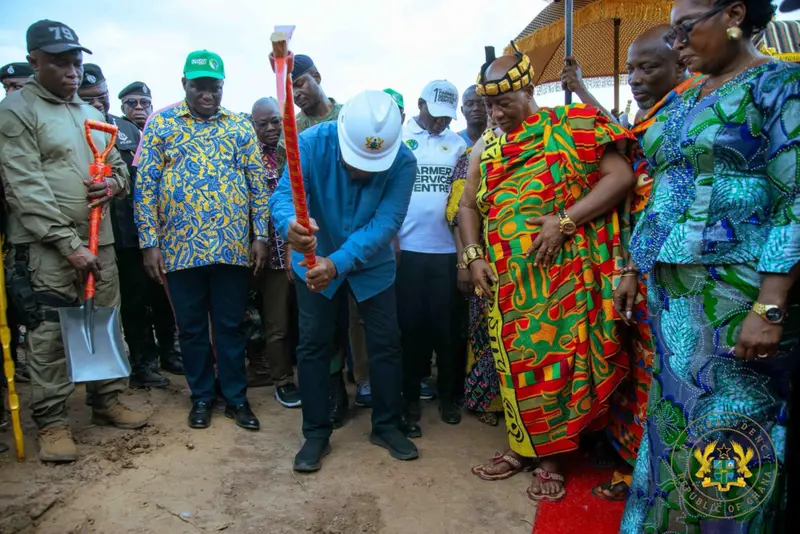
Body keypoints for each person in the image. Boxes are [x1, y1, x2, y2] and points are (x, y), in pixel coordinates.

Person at [619, 1, 800, 531]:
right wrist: (633, 267)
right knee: (677, 424)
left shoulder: (780, 86)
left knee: (735, 433)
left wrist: (770, 304)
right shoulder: (687, 98)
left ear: (734, 14)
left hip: (740, 295)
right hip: (678, 299)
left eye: (684, 28)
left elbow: (796, 197)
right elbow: (666, 192)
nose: (676, 43)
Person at [460, 46, 635, 502]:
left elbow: (619, 177)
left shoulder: (572, 126)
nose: (496, 113)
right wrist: (473, 256)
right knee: (513, 366)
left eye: (505, 103)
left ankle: (552, 458)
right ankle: (521, 447)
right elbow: (466, 205)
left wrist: (566, 220)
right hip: (504, 282)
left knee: (553, 364)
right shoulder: (487, 144)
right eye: (490, 105)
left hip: (563, 279)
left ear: (530, 89)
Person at [0, 19, 148, 462]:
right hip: (47, 248)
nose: (70, 71)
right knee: (47, 330)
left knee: (105, 319)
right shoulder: (17, 112)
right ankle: (52, 420)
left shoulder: (93, 115)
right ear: (35, 62)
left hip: (98, 241)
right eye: (59, 62)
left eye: (75, 62)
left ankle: (107, 399)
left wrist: (114, 186)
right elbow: (24, 186)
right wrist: (68, 244)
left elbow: (119, 169)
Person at [559, 26, 697, 502]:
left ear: (681, 64)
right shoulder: (657, 113)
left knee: (661, 368)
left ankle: (652, 473)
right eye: (632, 69)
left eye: (648, 67)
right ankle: (632, 459)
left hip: (671, 268)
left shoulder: (690, 111)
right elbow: (624, 137)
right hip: (636, 261)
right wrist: (580, 92)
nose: (635, 78)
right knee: (638, 361)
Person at [270, 90, 419, 472]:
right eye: (356, 163)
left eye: (373, 167)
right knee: (315, 346)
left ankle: (386, 424)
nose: (363, 174)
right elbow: (283, 197)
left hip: (369, 264)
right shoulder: (308, 144)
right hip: (313, 258)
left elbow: (386, 223)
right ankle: (316, 432)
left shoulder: (403, 162)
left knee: (386, 344)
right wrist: (290, 226)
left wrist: (337, 263)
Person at [135, 49, 269, 431]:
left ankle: (236, 398)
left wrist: (259, 236)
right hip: (180, 250)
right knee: (191, 329)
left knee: (230, 326)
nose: (207, 95)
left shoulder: (240, 127)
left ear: (223, 86)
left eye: (214, 87)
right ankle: (202, 397)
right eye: (199, 87)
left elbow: (257, 185)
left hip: (231, 248)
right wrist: (150, 243)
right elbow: (145, 188)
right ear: (184, 85)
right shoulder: (161, 125)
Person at [79, 68, 183, 388]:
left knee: (161, 295)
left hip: (146, 229)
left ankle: (169, 350)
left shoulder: (127, 130)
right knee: (134, 301)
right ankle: (143, 363)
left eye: (102, 96)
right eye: (89, 99)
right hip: (113, 234)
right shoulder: (78, 128)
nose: (98, 103)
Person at [397, 80, 467, 435]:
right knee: (411, 329)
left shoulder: (458, 145)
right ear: (420, 104)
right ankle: (409, 398)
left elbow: (463, 201)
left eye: (446, 117)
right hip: (408, 251)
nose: (441, 123)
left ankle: (448, 397)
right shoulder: (401, 139)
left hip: (446, 252)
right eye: (435, 115)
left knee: (447, 330)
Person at [448, 48, 502, 428]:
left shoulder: (533, 142)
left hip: (526, 254)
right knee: (483, 332)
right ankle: (487, 401)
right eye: (481, 102)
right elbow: (457, 213)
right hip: (483, 255)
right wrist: (466, 260)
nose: (485, 109)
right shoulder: (469, 155)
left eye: (490, 103)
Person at [250, 97, 302, 407]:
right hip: (269, 256)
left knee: (307, 319)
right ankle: (282, 379)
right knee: (276, 322)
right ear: (253, 125)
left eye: (276, 122)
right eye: (263, 123)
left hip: (301, 249)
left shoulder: (295, 154)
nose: (270, 128)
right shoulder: (249, 157)